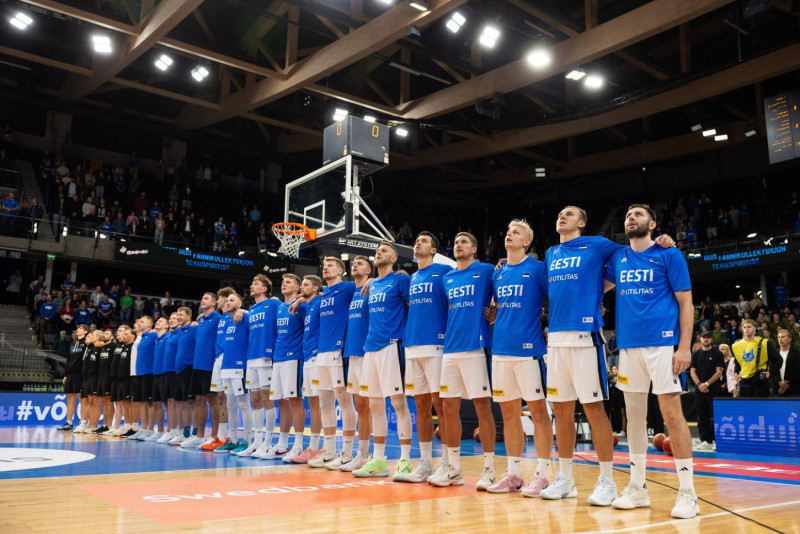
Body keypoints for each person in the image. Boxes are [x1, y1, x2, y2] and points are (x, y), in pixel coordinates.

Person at [539, 205, 672, 506]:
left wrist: (661, 241)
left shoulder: (598, 244)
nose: (562, 216)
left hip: (586, 336)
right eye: (559, 214)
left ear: (582, 223)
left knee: (594, 409)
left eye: (569, 214)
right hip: (555, 339)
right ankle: (565, 478)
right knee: (561, 410)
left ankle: (607, 481)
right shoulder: (550, 253)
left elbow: (634, 252)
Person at [603, 204, 698, 518]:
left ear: (653, 224)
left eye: (638, 214)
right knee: (634, 418)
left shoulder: (669, 254)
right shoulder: (618, 258)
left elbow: (686, 302)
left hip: (663, 344)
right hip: (629, 348)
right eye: (628, 215)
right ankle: (637, 487)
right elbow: (595, 286)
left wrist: (684, 347)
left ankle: (688, 493)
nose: (631, 218)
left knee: (672, 415)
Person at [483, 220, 553, 496]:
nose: (509, 234)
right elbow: (495, 308)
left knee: (538, 412)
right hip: (500, 351)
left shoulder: (537, 268)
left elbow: (556, 297)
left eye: (516, 232)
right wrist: (492, 315)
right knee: (508, 414)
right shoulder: (498, 274)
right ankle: (513, 473)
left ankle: (542, 475)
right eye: (508, 231)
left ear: (526, 242)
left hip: (528, 350)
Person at [430, 232, 496, 490]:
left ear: (474, 249)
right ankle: (454, 468)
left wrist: (495, 310)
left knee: (482, 407)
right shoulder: (447, 278)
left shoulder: (486, 271)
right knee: (448, 408)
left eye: (464, 242)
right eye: (456, 242)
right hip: (450, 348)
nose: (458, 245)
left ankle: (489, 470)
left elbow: (502, 293)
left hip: (475, 346)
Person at [354, 242, 414, 479]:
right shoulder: (372, 284)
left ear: (394, 258)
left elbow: (414, 308)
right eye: (378, 250)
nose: (379, 252)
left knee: (398, 404)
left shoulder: (400, 280)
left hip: (392, 344)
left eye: (385, 250)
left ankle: (405, 460)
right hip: (370, 347)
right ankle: (378, 460)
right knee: (375, 405)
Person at [402, 232, 453, 483]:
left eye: (424, 241)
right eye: (417, 241)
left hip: (436, 343)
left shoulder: (444, 271)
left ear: (434, 250)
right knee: (421, 406)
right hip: (412, 345)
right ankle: (425, 463)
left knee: (441, 405)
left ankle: (447, 462)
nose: (418, 243)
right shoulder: (412, 277)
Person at [304, 259, 359, 469]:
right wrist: (299, 300)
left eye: (330, 265)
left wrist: (374, 280)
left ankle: (347, 453)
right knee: (324, 404)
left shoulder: (347, 287)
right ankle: (329, 452)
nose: (325, 267)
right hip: (321, 353)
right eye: (324, 265)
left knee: (344, 403)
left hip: (338, 351)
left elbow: (368, 282)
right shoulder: (324, 294)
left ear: (340, 270)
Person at [338, 256, 374, 472]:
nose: (355, 265)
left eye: (360, 264)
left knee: (371, 405)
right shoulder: (351, 292)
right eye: (354, 263)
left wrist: (374, 281)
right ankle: (361, 454)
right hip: (352, 353)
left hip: (367, 351)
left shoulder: (374, 288)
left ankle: (368, 454)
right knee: (360, 405)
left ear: (369, 271)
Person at [240, 278, 278, 458]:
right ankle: (256, 442)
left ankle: (268, 442)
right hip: (251, 357)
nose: (251, 286)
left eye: (255, 284)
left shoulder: (273, 304)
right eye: (252, 283)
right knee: (255, 400)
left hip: (266, 356)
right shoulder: (252, 309)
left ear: (264, 288)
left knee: (266, 398)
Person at [181, 292, 223, 449]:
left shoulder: (218, 319)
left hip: (210, 365)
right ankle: (199, 436)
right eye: (202, 298)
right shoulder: (201, 320)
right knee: (199, 400)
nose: (202, 300)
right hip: (197, 365)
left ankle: (214, 436)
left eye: (206, 298)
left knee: (212, 400)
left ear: (214, 303)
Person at [291, 275, 324, 464]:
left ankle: (318, 447)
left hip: (318, 355)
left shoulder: (319, 301)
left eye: (305, 285)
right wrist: (300, 301)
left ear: (315, 288)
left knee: (319, 402)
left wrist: (302, 299)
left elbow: (330, 294)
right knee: (312, 402)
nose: (301, 288)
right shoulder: (308, 306)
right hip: (307, 356)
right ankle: (312, 447)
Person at [215, 293, 253, 454]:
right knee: (231, 405)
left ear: (239, 303)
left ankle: (248, 441)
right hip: (226, 367)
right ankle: (233, 440)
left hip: (240, 366)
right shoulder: (227, 320)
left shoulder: (244, 316)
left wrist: (243, 311)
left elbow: (254, 319)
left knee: (244, 404)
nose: (228, 302)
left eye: (232, 300)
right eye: (227, 300)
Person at [690, 331, 725, 451]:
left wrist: (707, 384)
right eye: (703, 337)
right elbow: (692, 371)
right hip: (699, 390)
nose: (706, 339)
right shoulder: (695, 354)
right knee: (702, 415)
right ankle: (705, 440)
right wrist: (700, 384)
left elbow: (719, 372)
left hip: (714, 389)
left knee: (715, 415)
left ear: (711, 339)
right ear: (700, 339)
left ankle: (716, 440)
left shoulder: (717, 353)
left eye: (708, 337)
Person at [732, 319, 781, 398]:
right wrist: (735, 373)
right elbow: (738, 362)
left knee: (760, 405)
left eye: (749, 327)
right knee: (744, 405)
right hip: (744, 382)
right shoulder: (737, 345)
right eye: (744, 327)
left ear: (754, 328)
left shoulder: (765, 343)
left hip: (760, 380)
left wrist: (770, 372)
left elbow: (778, 360)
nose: (746, 329)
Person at [57, 324, 89, 431]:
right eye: (78, 328)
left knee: (82, 398)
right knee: (70, 397)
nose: (78, 330)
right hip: (70, 374)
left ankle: (82, 422)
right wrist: (65, 374)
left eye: (80, 328)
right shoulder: (72, 343)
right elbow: (69, 360)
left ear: (85, 331)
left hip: (80, 374)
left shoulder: (86, 343)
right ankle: (69, 422)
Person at [146, 316, 170, 442]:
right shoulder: (157, 339)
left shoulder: (168, 337)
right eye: (157, 321)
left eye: (161, 321)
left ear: (167, 326)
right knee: (156, 403)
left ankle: (170, 431)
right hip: (155, 373)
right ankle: (160, 431)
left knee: (167, 403)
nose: (157, 322)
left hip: (164, 373)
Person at [775, 329, 800, 397]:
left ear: (789, 339)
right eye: (779, 337)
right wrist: (780, 382)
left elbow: (798, 371)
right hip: (777, 390)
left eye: (783, 337)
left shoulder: (797, 354)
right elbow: (772, 371)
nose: (780, 339)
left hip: (794, 390)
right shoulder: (774, 354)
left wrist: (787, 384)